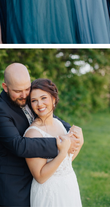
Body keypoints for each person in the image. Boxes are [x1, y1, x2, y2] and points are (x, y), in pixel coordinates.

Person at [0, 63, 83, 207]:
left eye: (27, 88)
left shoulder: (29, 98)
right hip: (14, 184)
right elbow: (18, 145)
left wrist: (72, 131)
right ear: (5, 87)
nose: (25, 95)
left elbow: (49, 117)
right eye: (18, 91)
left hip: (39, 177)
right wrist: (61, 144)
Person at [24, 79, 83, 207]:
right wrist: (61, 153)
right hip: (49, 192)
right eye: (34, 100)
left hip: (69, 186)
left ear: (54, 99)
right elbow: (40, 176)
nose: (39, 104)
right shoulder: (33, 134)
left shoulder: (59, 124)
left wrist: (80, 142)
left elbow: (67, 162)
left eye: (43, 98)